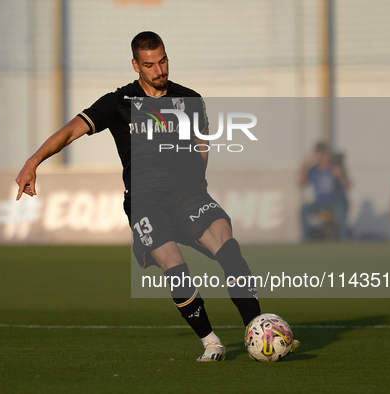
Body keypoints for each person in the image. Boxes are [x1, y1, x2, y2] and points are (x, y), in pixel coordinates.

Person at [15, 31, 298, 361]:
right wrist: (33, 162)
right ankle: (211, 342)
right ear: (136, 65)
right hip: (145, 201)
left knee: (229, 250)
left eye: (163, 61)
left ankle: (260, 330)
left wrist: (196, 179)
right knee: (174, 266)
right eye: (150, 65)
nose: (159, 70)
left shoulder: (189, 99)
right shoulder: (118, 103)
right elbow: (69, 132)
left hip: (188, 194)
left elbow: (202, 140)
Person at [299, 142, 351, 241]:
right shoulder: (313, 170)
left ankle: (344, 240)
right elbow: (300, 182)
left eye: (323, 153)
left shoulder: (335, 166)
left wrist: (341, 177)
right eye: (319, 153)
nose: (322, 156)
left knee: (339, 208)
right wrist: (305, 164)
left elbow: (348, 185)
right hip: (320, 203)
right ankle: (306, 240)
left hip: (336, 202)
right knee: (304, 209)